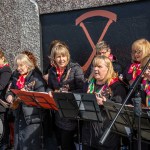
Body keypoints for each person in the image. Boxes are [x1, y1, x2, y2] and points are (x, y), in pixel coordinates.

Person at [82, 55, 127, 150]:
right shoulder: (88, 84)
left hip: (106, 138)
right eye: (94, 66)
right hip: (88, 137)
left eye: (99, 66)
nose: (95, 69)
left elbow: (121, 111)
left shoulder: (117, 87)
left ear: (108, 69)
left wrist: (105, 102)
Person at [5, 53, 49, 150]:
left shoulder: (36, 77)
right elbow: (9, 90)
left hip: (32, 119)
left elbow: (42, 97)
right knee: (18, 145)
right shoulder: (15, 75)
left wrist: (27, 95)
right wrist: (9, 96)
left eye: (21, 65)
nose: (18, 68)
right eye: (17, 65)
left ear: (27, 64)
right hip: (18, 115)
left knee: (30, 146)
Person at [47, 41, 84, 150]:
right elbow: (49, 86)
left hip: (72, 113)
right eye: (58, 57)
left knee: (66, 143)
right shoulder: (51, 71)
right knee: (61, 143)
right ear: (54, 58)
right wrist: (49, 91)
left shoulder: (76, 68)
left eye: (63, 56)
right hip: (57, 113)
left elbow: (83, 89)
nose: (61, 59)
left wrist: (68, 94)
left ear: (68, 56)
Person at [0, 49, 12, 150]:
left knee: (4, 125)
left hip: (2, 103)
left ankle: (6, 144)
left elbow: (1, 85)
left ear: (2, 58)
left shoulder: (6, 70)